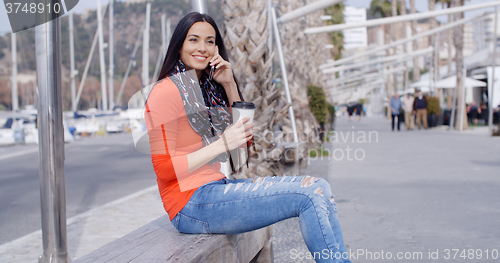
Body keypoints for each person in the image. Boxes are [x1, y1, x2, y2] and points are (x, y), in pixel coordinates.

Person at [144, 12, 351, 263]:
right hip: (190, 205)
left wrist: (229, 84)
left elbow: (242, 149)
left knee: (320, 187)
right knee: (309, 193)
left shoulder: (207, 91)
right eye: (194, 40)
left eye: (210, 41)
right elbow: (164, 169)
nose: (203, 48)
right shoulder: (165, 91)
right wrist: (221, 143)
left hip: (217, 189)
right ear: (179, 46)